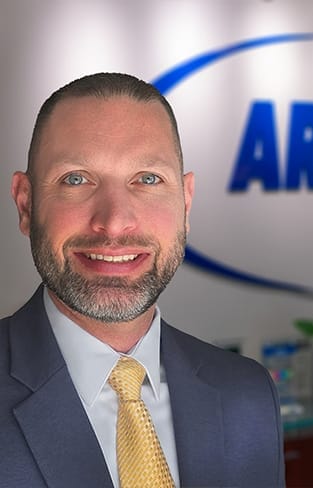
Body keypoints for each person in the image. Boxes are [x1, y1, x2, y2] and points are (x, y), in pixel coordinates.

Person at [0, 73, 284, 487]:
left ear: (185, 202)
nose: (115, 222)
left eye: (148, 179)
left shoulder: (248, 394)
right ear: (26, 204)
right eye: (76, 178)